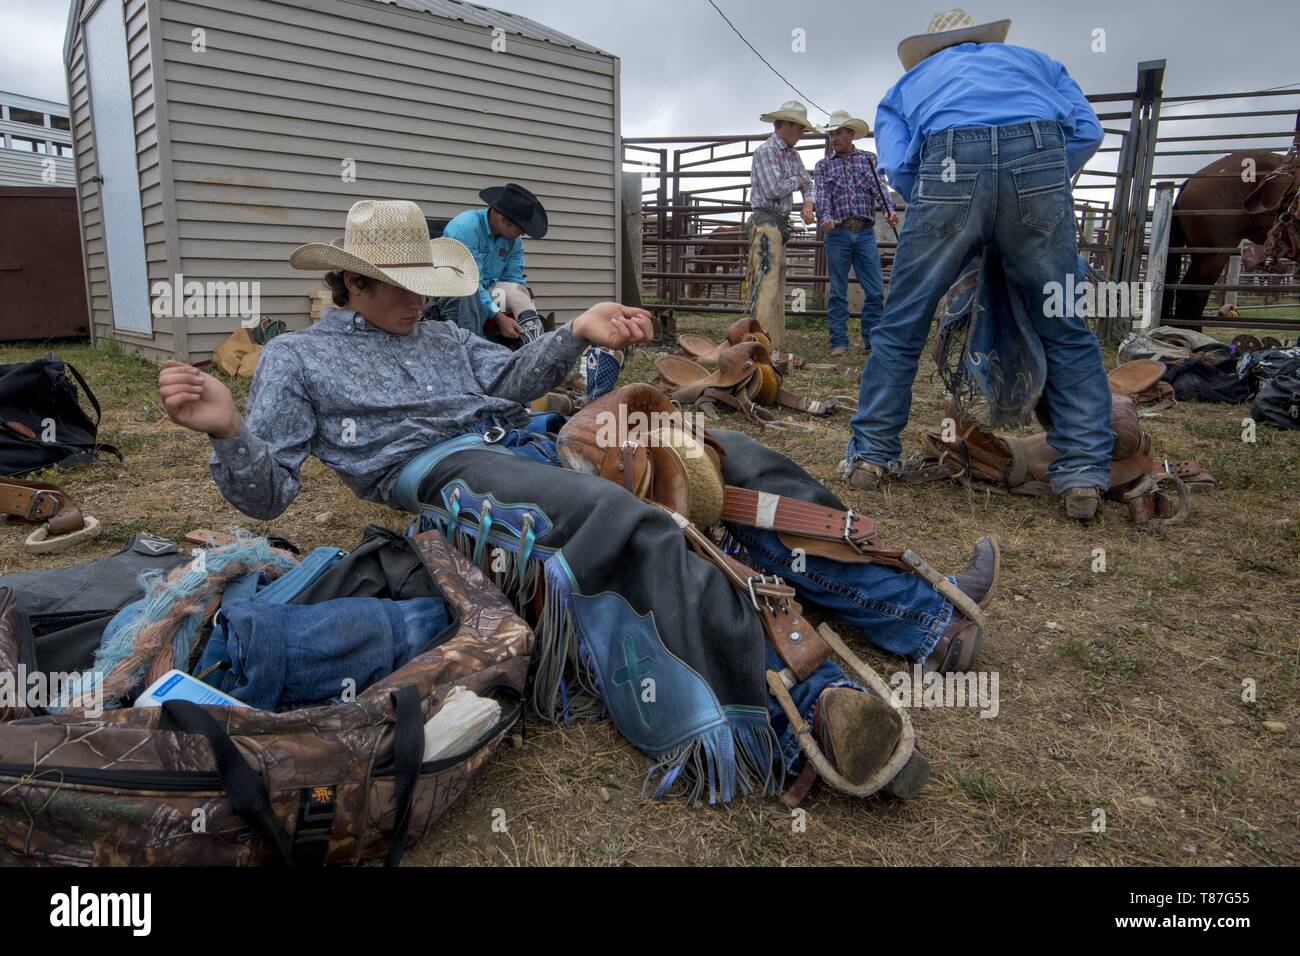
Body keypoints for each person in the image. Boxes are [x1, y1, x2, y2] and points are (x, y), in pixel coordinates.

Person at [159, 199, 999, 804]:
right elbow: (268, 496)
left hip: (524, 436)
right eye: (394, 284)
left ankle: (923, 618)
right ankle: (799, 711)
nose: (415, 297)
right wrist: (229, 431)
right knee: (621, 522)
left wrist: (577, 331)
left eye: (421, 281)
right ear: (350, 281)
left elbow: (511, 377)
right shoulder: (298, 362)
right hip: (446, 475)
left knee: (714, 452)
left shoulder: (444, 334)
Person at [842, 8, 1112, 521]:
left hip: (948, 163)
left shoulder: (908, 85)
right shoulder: (1038, 64)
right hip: (1037, 155)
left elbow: (899, 166)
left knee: (902, 323)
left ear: (932, 49)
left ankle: (872, 456)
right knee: (1063, 323)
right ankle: (1081, 475)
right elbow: (1086, 132)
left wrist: (945, 203)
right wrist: (1045, 182)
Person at [813, 110, 900, 356]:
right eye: (831, 134)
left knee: (874, 289)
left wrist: (889, 210)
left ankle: (871, 338)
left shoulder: (868, 160)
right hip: (838, 232)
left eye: (838, 133)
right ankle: (839, 341)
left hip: (864, 232)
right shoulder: (823, 166)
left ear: (850, 134)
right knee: (838, 291)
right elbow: (822, 196)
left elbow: (880, 190)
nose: (834, 138)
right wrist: (825, 217)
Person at [428, 183, 549, 344]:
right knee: (468, 295)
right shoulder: (466, 228)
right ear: (502, 219)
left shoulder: (514, 240)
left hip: (483, 289)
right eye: (520, 228)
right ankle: (473, 347)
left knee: (519, 290)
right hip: (453, 290)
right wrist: (499, 317)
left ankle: (535, 347)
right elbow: (470, 281)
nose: (523, 233)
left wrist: (525, 303)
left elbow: (513, 278)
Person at [747, 101, 818, 354]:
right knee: (767, 286)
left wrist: (808, 202)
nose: (801, 135)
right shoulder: (766, 151)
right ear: (786, 126)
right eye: (799, 129)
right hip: (766, 222)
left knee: (775, 285)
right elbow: (774, 188)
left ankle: (772, 345)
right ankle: (762, 345)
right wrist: (798, 181)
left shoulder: (791, 154)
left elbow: (809, 183)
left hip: (777, 223)